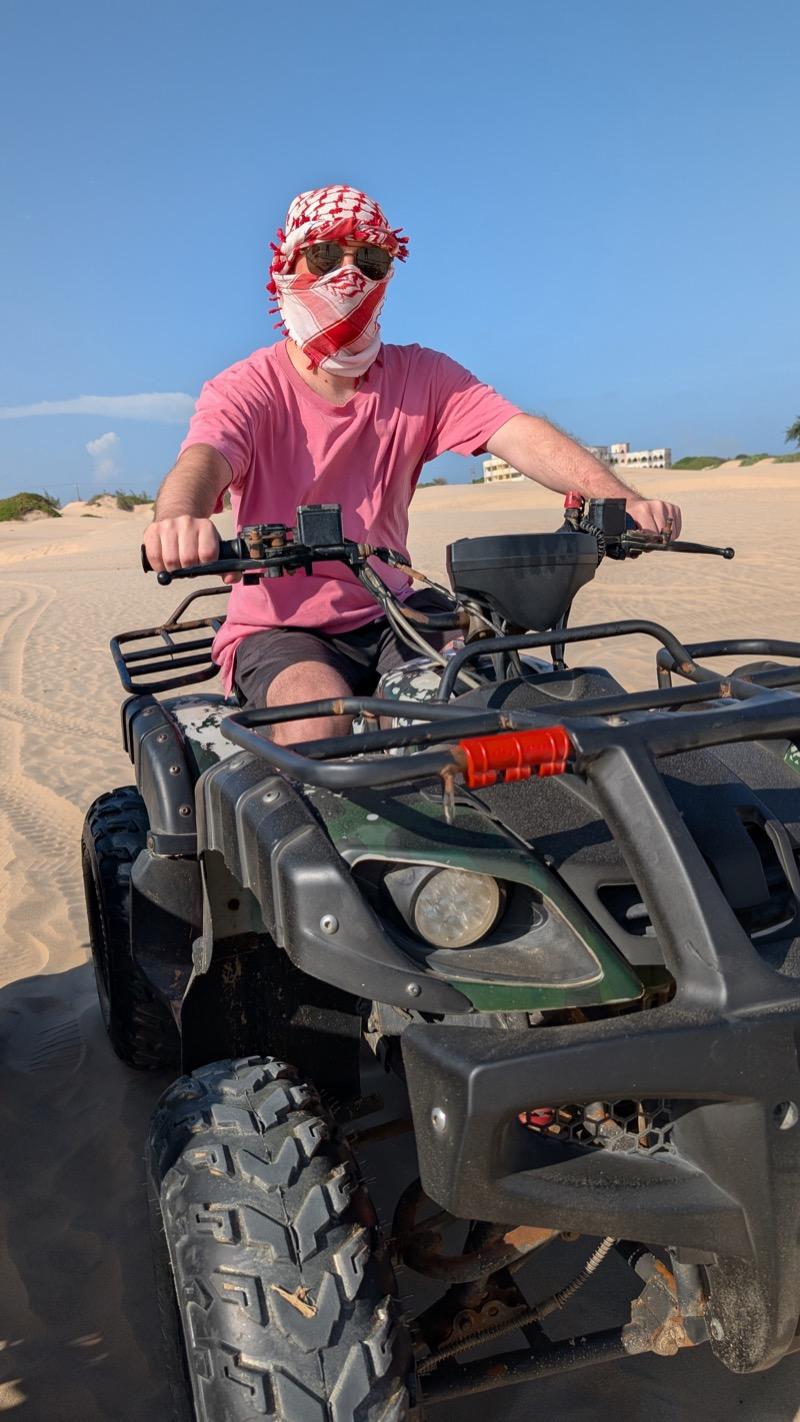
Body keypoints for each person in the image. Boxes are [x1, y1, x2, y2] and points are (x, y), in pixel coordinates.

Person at [144, 183, 682, 744]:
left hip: (393, 605)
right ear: (287, 265)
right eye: (325, 256)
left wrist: (622, 499)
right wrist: (178, 518)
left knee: (486, 692)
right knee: (314, 720)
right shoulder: (249, 387)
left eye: (370, 261)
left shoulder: (423, 376)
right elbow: (206, 457)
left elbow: (518, 433)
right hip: (280, 624)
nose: (348, 276)